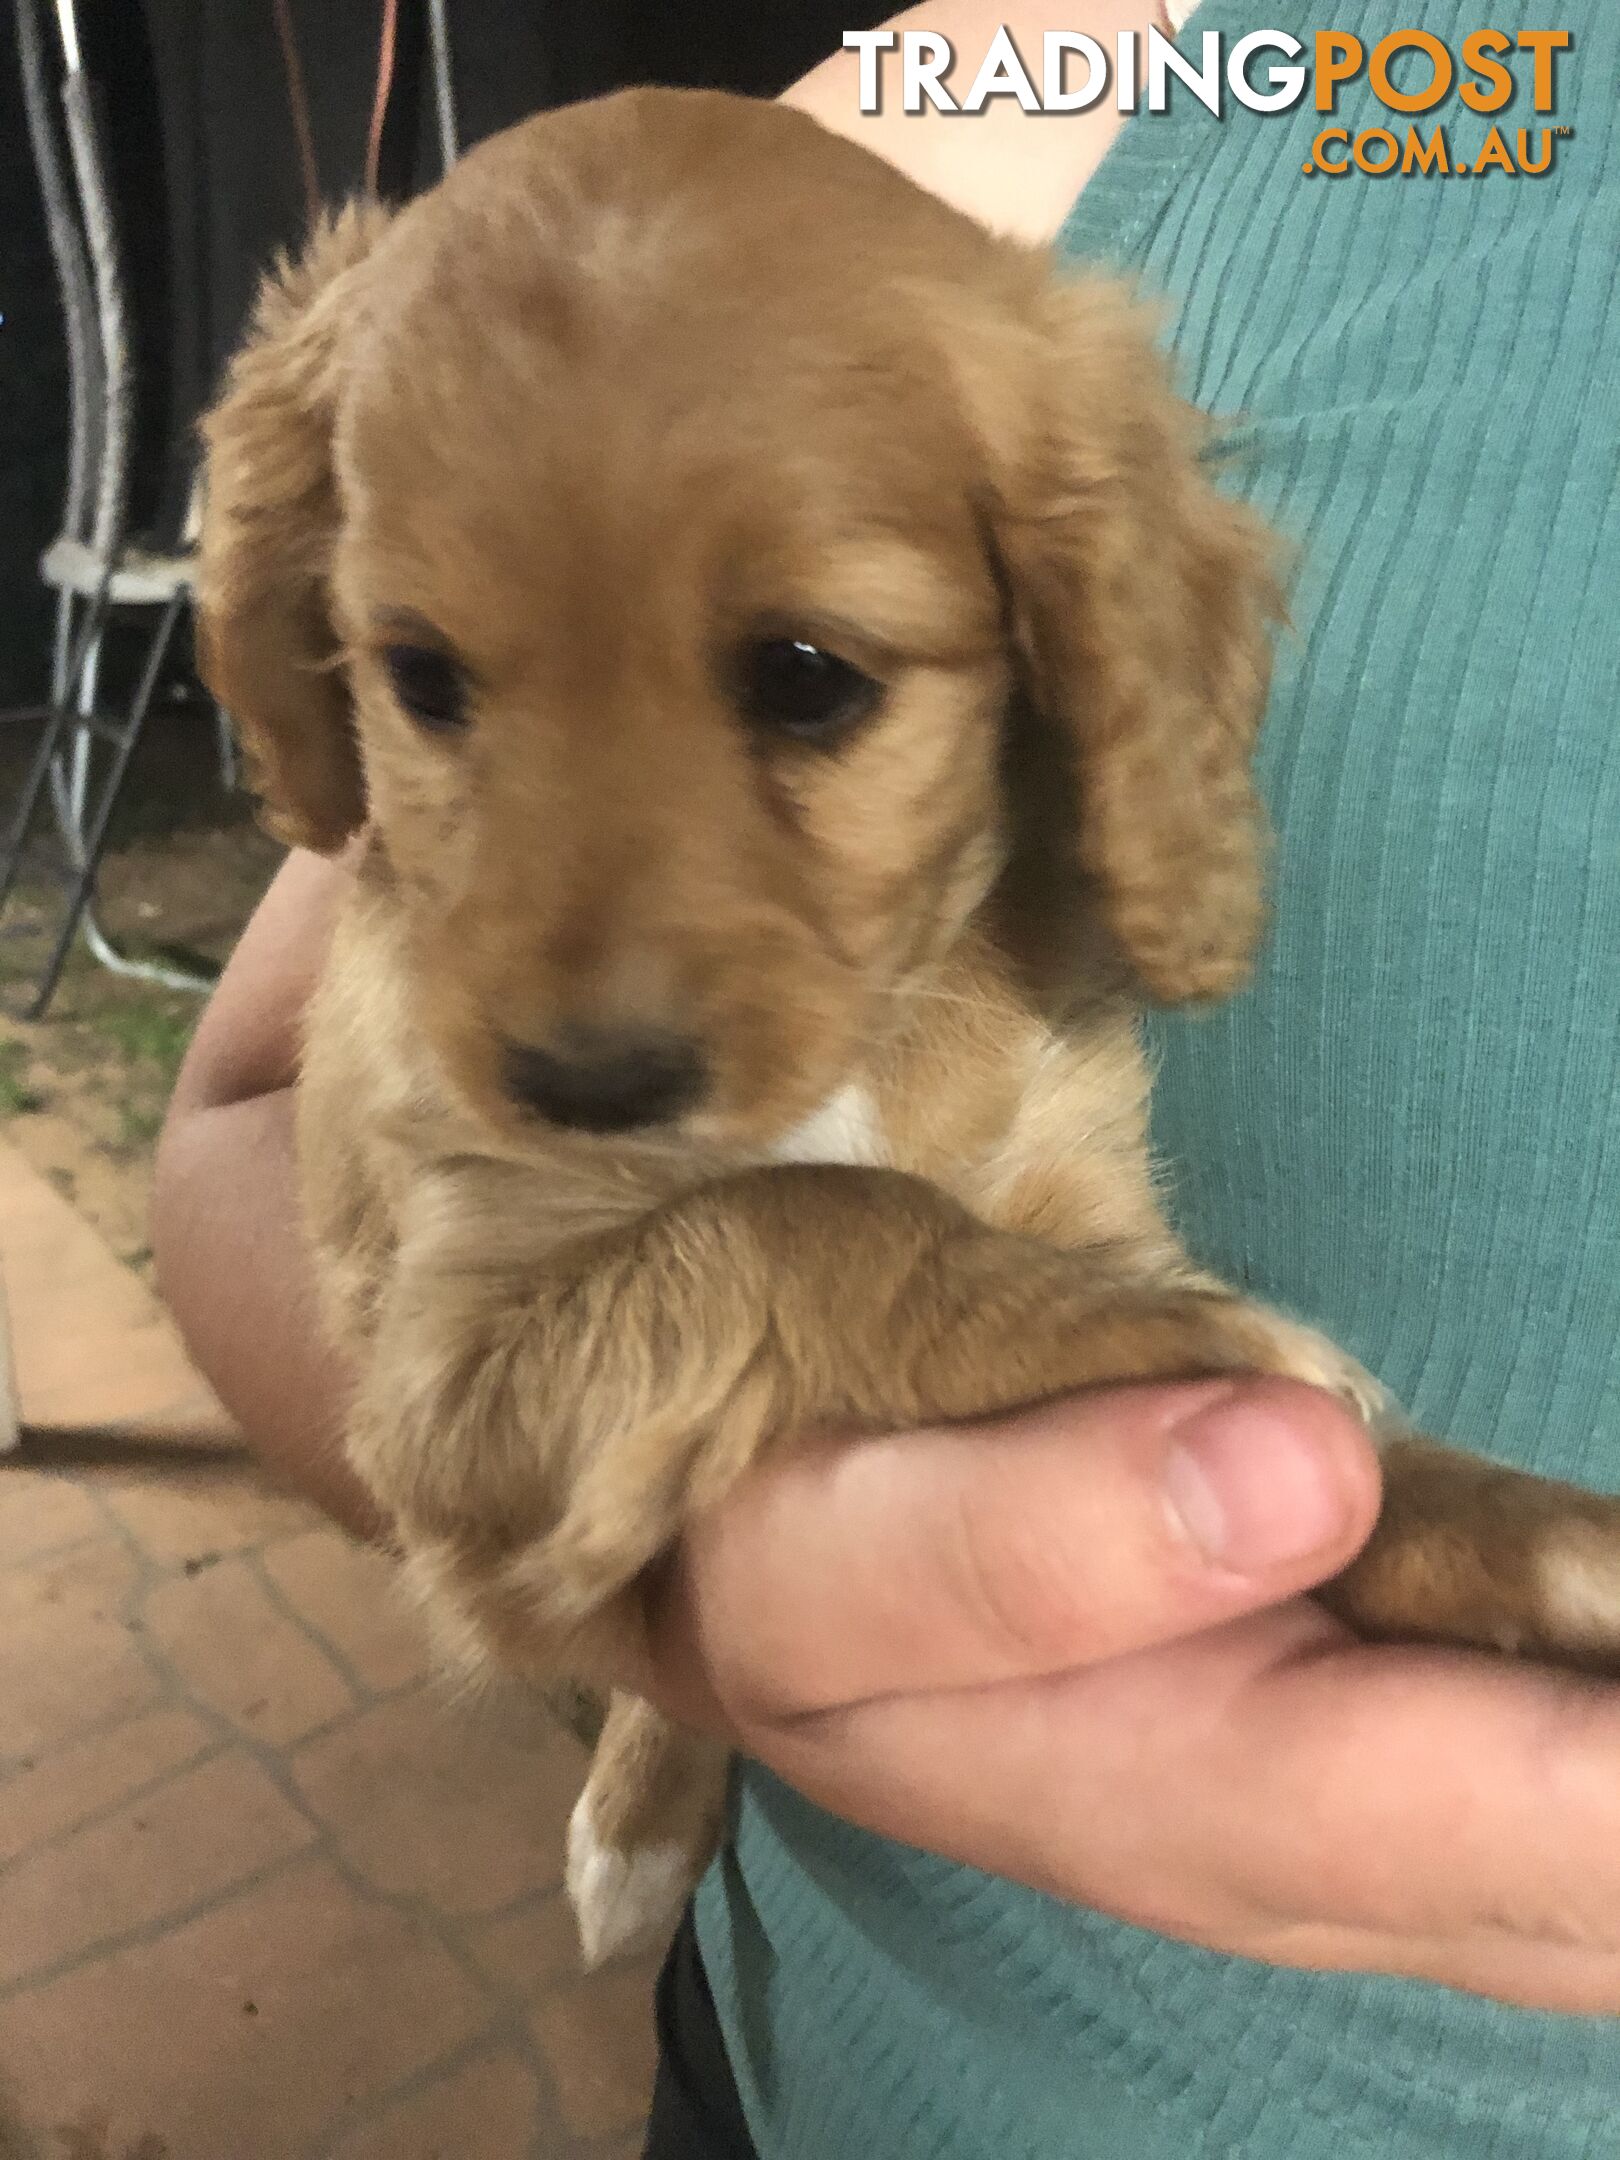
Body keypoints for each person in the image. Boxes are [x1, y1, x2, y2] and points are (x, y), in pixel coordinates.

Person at [154, 1, 1620, 2153]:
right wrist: (706, 1654)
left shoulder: (1049, 467)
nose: (586, 996)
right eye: (429, 675)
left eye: (806, 681)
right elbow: (261, 1150)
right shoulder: (1062, 74)